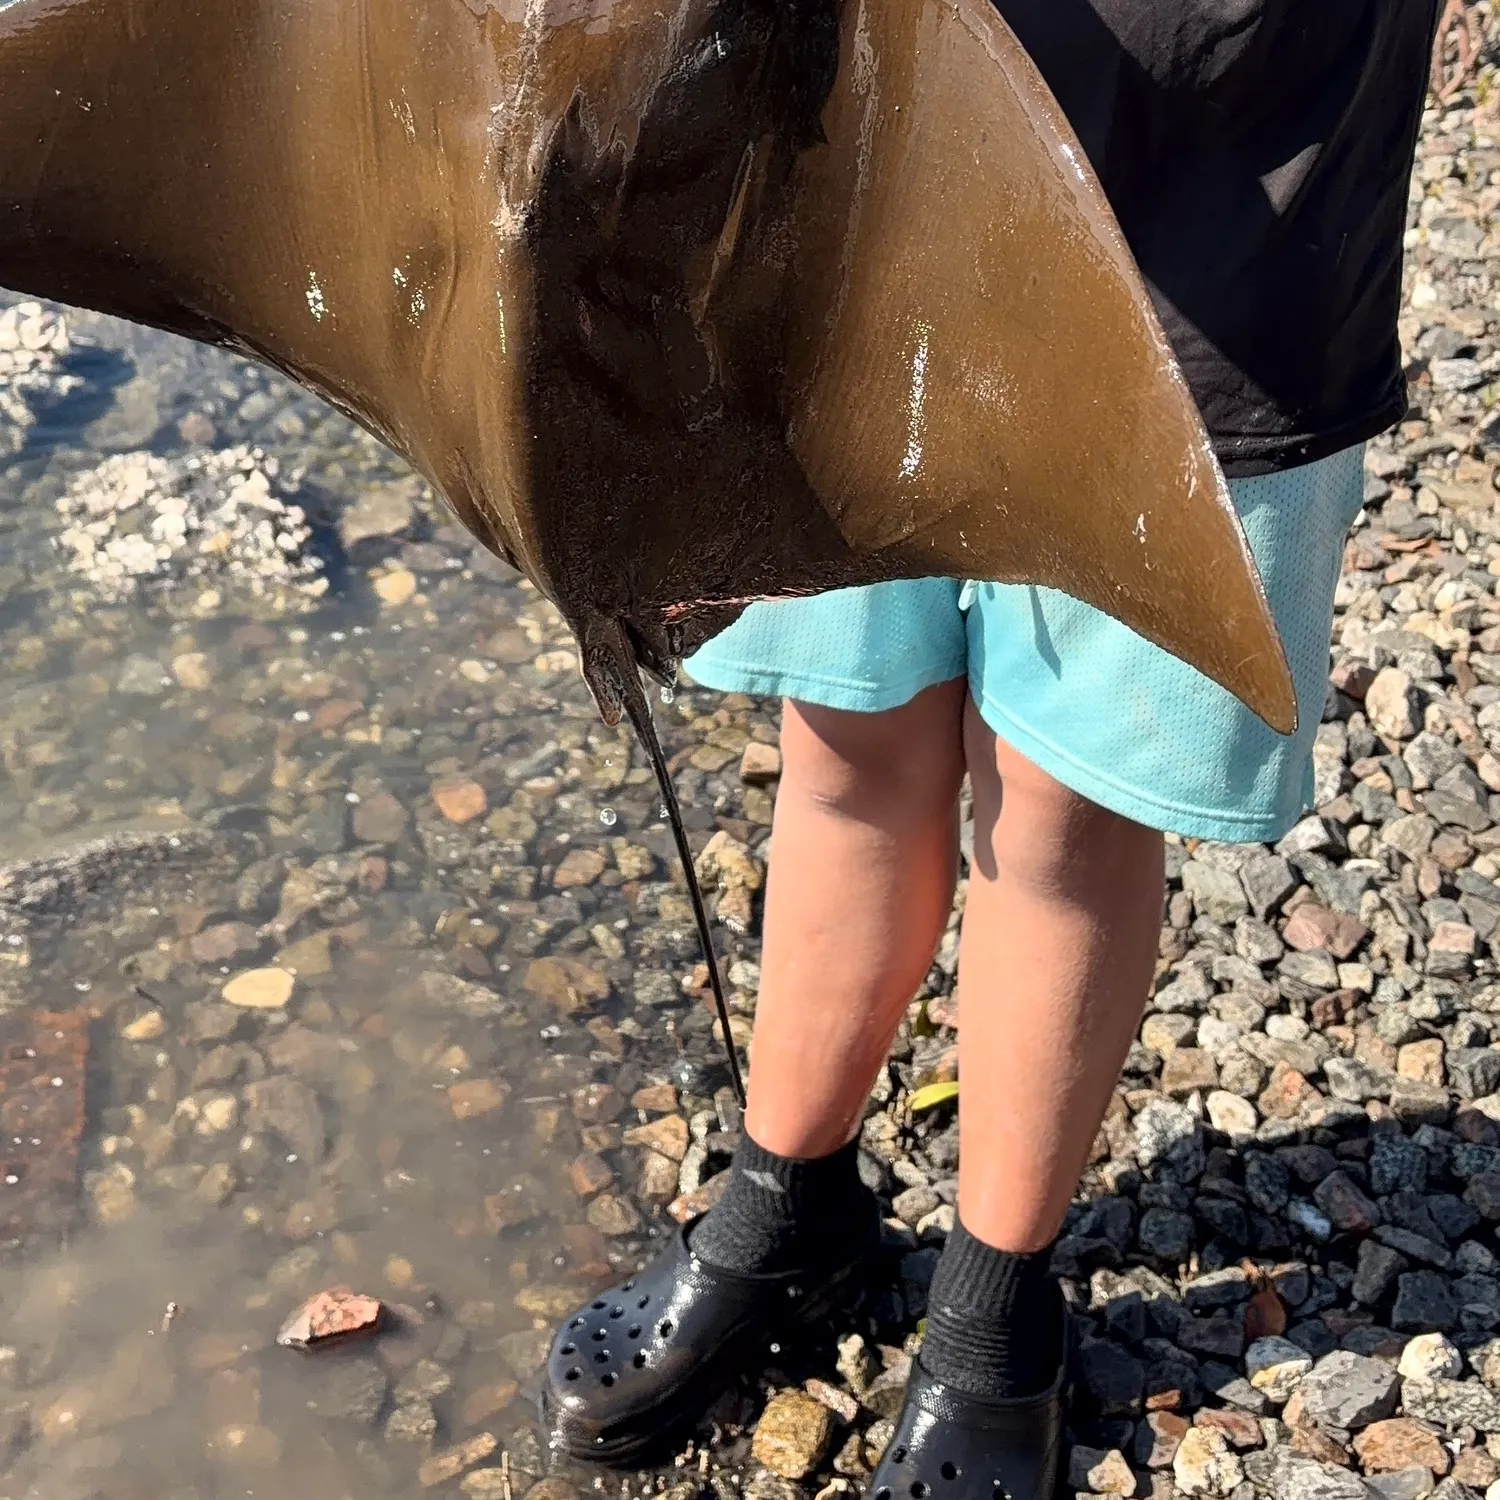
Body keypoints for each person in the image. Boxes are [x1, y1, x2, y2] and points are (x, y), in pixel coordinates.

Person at [542, 1, 1442, 1494]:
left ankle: (991, 1306)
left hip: (1218, 166)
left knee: (1065, 811)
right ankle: (786, 1211)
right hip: (876, 144)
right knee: (846, 727)